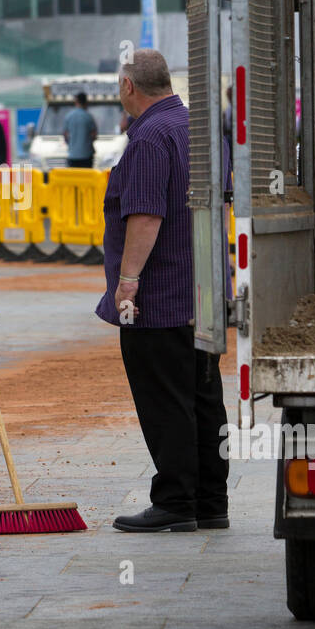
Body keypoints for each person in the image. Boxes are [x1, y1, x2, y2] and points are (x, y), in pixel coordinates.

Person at [95, 49, 230, 533]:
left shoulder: (149, 137)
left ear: (129, 86)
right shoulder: (200, 128)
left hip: (159, 299)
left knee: (165, 398)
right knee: (203, 396)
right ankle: (212, 501)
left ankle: (175, 500)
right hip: (202, 293)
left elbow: (147, 216)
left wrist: (127, 283)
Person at [63, 91, 98, 168]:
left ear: (76, 101)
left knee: (74, 179)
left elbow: (65, 135)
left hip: (72, 156)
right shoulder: (89, 117)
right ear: (86, 102)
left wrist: (72, 144)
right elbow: (94, 135)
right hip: (86, 157)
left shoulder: (69, 117)